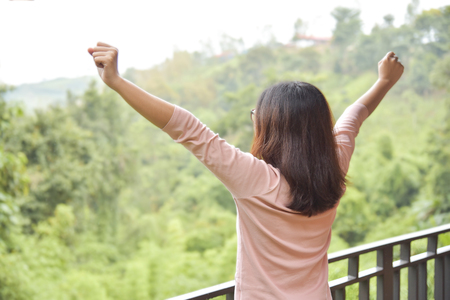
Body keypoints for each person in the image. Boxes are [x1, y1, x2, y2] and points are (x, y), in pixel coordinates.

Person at [87, 42, 404, 299]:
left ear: (271, 127)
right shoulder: (334, 167)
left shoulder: (255, 179)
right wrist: (384, 82)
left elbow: (186, 127)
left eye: (257, 114)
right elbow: (354, 116)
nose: (253, 118)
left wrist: (116, 81)